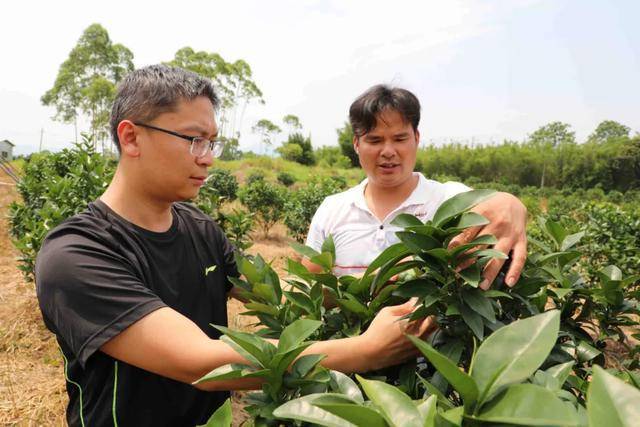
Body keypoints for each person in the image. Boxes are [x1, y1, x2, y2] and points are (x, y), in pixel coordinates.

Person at [35, 66, 434, 426]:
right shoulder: (76, 254)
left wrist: (370, 289)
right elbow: (200, 363)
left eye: (211, 143)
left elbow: (275, 300)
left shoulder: (201, 229)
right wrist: (365, 350)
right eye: (194, 140)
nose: (207, 159)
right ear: (131, 136)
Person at [305, 85, 527, 288]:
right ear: (356, 144)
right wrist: (374, 282)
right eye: (375, 141)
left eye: (400, 139)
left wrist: (512, 203)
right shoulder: (332, 208)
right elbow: (308, 285)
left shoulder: (448, 199)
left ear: (416, 138)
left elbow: (499, 205)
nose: (388, 151)